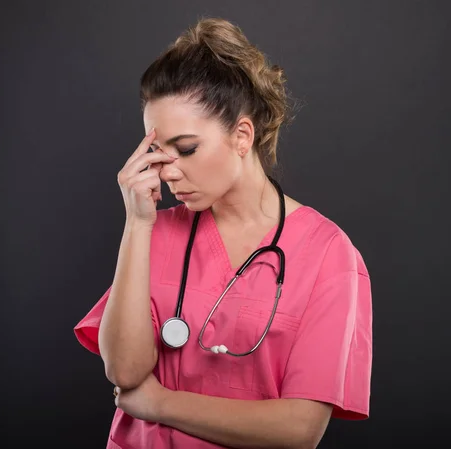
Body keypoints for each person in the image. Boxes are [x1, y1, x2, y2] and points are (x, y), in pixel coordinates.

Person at [74, 17, 372, 449]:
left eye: (187, 149)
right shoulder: (155, 233)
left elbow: (300, 429)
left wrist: (159, 403)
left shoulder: (329, 255)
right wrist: (137, 224)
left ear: (242, 135)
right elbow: (124, 372)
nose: (169, 171)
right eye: (157, 153)